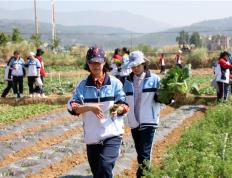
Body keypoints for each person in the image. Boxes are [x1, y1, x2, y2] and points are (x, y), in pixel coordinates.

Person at [67, 46, 129, 178]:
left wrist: (118, 109)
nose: (95, 66)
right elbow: (72, 107)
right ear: (88, 63)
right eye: (92, 62)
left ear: (104, 62)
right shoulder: (82, 86)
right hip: (92, 137)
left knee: (105, 166)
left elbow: (124, 104)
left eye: (98, 62)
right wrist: (90, 107)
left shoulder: (115, 83)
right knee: (97, 173)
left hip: (112, 133)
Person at [123, 51, 160, 178]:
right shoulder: (127, 81)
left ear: (144, 64)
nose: (135, 68)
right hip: (134, 121)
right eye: (133, 66)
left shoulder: (154, 79)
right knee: (140, 153)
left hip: (149, 120)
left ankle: (142, 175)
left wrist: (164, 97)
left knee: (144, 153)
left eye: (137, 65)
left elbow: (167, 98)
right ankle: (147, 173)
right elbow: (123, 100)